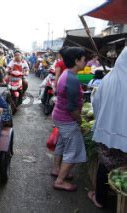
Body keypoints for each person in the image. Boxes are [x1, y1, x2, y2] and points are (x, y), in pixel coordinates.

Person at [88, 47, 127, 208]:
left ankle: (100, 198)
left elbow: (95, 103)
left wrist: (101, 120)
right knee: (123, 169)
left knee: (106, 163)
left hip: (106, 131)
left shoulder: (108, 78)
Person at [51, 47, 87, 192]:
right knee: (73, 149)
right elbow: (72, 108)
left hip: (59, 115)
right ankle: (60, 181)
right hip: (66, 119)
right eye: (84, 59)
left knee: (61, 143)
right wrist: (80, 121)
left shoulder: (66, 73)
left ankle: (56, 169)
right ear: (77, 61)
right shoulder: (71, 79)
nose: (86, 62)